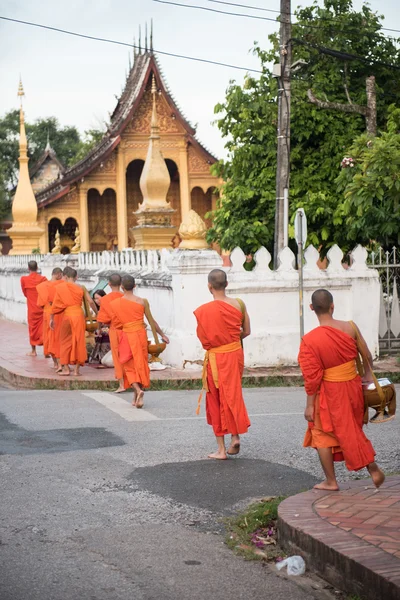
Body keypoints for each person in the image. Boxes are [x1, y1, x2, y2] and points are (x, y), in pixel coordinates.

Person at [298, 288, 385, 491]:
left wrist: (310, 405)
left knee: (320, 432)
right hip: (352, 386)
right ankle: (368, 466)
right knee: (350, 429)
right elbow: (367, 356)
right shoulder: (350, 327)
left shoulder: (310, 340)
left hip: (329, 391)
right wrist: (365, 377)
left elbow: (312, 378)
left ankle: (333, 480)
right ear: (332, 306)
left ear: (312, 308)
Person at [194, 269, 251, 460]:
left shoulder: (204, 311)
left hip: (216, 358)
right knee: (233, 394)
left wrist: (221, 342)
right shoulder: (239, 304)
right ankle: (235, 436)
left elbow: (204, 341)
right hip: (235, 354)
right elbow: (247, 331)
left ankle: (221, 450)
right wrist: (231, 340)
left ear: (209, 286)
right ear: (226, 284)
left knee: (216, 398)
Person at [110, 275, 169, 408]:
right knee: (140, 364)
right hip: (140, 335)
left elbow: (117, 324)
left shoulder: (115, 304)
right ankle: (137, 397)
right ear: (135, 286)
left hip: (126, 335)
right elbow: (151, 321)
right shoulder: (142, 302)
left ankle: (137, 390)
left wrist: (127, 324)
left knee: (128, 366)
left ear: (122, 287)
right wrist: (162, 335)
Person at [50, 266, 87, 376]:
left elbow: (56, 305)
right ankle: (76, 370)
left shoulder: (61, 287)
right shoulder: (80, 287)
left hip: (67, 314)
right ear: (75, 277)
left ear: (65, 277)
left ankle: (65, 368)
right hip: (78, 315)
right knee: (79, 340)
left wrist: (52, 319)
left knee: (65, 340)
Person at [95, 274, 126, 392]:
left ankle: (122, 384)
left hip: (114, 330)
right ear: (121, 284)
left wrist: (99, 329)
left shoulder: (105, 300)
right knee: (128, 356)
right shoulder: (126, 297)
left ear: (109, 284)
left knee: (117, 358)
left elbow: (102, 319)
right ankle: (133, 382)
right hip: (127, 330)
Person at [36, 267, 63, 369]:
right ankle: (61, 363)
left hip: (47, 313)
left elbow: (40, 304)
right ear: (58, 274)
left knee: (49, 338)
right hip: (58, 312)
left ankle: (55, 363)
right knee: (58, 337)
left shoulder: (42, 286)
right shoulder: (61, 285)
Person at [20, 261, 47, 356]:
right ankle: (46, 351)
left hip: (32, 308)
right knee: (44, 329)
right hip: (42, 307)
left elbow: (24, 293)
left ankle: (33, 351)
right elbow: (46, 291)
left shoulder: (24, 279)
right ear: (37, 267)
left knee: (32, 328)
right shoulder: (43, 279)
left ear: (28, 268)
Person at [89, 290, 111, 367]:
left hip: (108, 328)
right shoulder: (94, 310)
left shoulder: (109, 306)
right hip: (98, 328)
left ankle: (105, 355)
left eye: (98, 298)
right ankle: (98, 356)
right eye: (95, 299)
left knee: (104, 333)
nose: (97, 301)